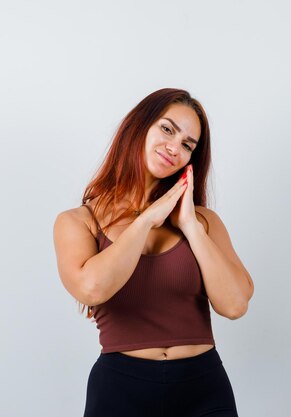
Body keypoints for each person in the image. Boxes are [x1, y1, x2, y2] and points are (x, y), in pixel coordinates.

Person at [53, 88, 254, 417]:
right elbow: (93, 287)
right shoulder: (78, 222)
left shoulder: (203, 222)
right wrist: (147, 219)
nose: (175, 147)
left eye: (188, 144)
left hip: (203, 388)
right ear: (138, 126)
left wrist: (189, 224)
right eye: (167, 129)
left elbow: (234, 305)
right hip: (121, 389)